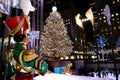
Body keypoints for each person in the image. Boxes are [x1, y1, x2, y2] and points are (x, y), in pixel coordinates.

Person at [3, 15, 48, 80]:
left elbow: (10, 71)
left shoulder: (10, 53)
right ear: (25, 38)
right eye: (28, 35)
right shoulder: (27, 54)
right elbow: (44, 67)